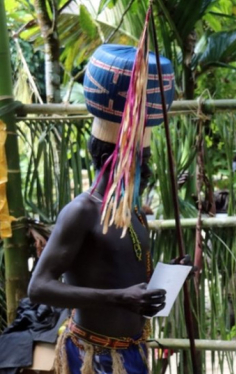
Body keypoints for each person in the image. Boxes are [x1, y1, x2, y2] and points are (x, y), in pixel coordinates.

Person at [28, 44, 176, 374]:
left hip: (133, 352)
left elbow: (129, 278)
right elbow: (38, 287)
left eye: (145, 161)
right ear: (115, 160)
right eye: (140, 161)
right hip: (91, 358)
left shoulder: (135, 211)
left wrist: (167, 278)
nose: (145, 168)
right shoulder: (81, 211)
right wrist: (118, 297)